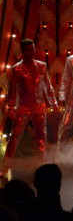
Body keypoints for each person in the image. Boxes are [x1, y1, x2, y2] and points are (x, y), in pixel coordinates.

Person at [1, 39, 58, 178]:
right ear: (22, 51)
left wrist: (53, 102)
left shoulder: (42, 66)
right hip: (23, 106)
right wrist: (11, 108)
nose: (31, 52)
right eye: (27, 50)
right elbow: (12, 90)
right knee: (15, 136)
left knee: (41, 137)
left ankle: (41, 165)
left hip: (39, 106)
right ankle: (5, 167)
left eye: (32, 49)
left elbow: (48, 85)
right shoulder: (17, 69)